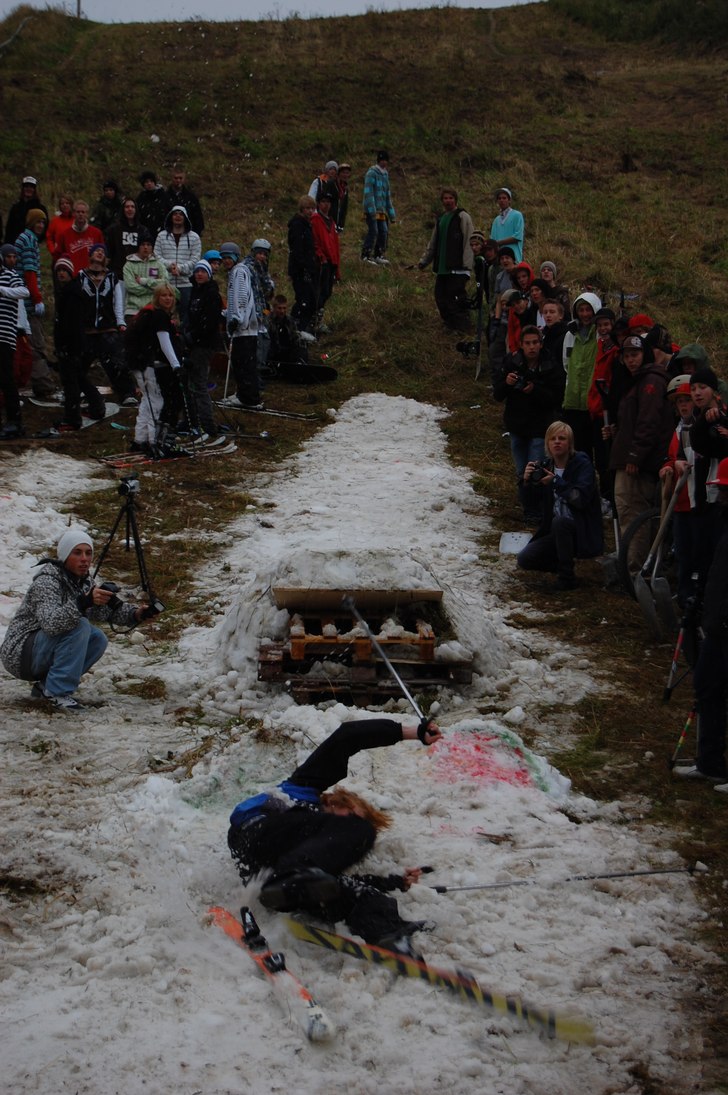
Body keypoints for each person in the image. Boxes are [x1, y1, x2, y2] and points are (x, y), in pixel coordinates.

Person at [227, 715, 442, 956]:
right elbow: (348, 735)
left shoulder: (319, 853)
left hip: (273, 879)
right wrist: (414, 732)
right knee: (357, 836)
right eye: (353, 814)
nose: (350, 827)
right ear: (343, 801)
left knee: (353, 892)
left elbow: (339, 880)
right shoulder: (304, 788)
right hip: (258, 833)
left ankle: (390, 934)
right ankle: (289, 880)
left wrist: (394, 882)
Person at [0, 528, 149, 711]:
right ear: (64, 556)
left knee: (97, 638)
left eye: (88, 553)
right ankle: (57, 692)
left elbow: (103, 613)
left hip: (41, 648)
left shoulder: (83, 581)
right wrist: (82, 602)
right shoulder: (46, 582)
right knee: (80, 625)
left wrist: (136, 614)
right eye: (77, 553)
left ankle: (46, 687)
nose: (84, 558)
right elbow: (52, 624)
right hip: (19, 653)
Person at [674, 457, 728, 788]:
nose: (719, 494)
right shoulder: (721, 523)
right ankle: (710, 763)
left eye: (723, 489)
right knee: (706, 686)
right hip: (717, 625)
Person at [606, 335, 674, 573]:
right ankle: (636, 569)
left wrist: (635, 456)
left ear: (644, 354)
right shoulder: (636, 382)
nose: (631, 360)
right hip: (630, 459)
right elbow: (635, 422)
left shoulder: (651, 382)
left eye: (635, 354)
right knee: (631, 512)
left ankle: (635, 570)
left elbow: (649, 422)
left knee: (632, 513)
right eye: (626, 356)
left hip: (636, 464)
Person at [517, 420, 604, 591]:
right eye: (553, 439)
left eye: (562, 438)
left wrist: (556, 481)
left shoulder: (582, 464)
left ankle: (567, 579)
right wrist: (526, 482)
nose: (557, 442)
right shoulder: (546, 466)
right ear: (547, 444)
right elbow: (531, 504)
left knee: (561, 523)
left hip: (582, 529)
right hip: (556, 531)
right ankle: (563, 565)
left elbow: (580, 499)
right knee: (525, 558)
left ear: (570, 443)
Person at [493, 325, 565, 523]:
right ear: (521, 345)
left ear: (541, 344)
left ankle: (538, 510)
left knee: (535, 469)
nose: (532, 347)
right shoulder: (511, 362)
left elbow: (557, 397)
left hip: (540, 426)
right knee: (521, 470)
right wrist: (507, 383)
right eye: (528, 343)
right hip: (517, 425)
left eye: (535, 343)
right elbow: (497, 394)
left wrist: (535, 389)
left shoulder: (550, 364)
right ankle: (528, 508)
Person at [125, 282, 186, 455]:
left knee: (147, 401)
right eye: (163, 295)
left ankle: (140, 439)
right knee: (158, 403)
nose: (167, 299)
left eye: (170, 295)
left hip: (139, 364)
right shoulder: (160, 317)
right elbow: (164, 342)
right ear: (157, 298)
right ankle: (155, 442)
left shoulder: (152, 315)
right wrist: (176, 365)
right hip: (149, 365)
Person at [417, 188, 474, 332]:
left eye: (450, 198)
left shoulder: (462, 216)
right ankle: (450, 324)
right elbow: (433, 243)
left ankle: (463, 326)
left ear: (455, 199)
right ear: (442, 201)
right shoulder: (441, 218)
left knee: (455, 297)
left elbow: (469, 240)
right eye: (445, 198)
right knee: (441, 297)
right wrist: (424, 261)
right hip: (443, 268)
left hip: (458, 267)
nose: (448, 201)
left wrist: (467, 265)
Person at [14, 207, 57, 399]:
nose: (41, 225)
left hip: (22, 301)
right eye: (38, 222)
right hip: (28, 303)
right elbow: (30, 273)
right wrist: (37, 298)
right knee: (36, 344)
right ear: (31, 222)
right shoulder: (29, 240)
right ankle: (43, 385)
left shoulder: (23, 238)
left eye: (43, 222)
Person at [220, 241, 261, 409]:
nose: (226, 261)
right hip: (243, 325)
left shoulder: (238, 271)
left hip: (244, 327)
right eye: (223, 258)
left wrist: (236, 318)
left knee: (243, 362)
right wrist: (226, 314)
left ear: (236, 257)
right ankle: (243, 393)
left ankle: (249, 398)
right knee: (241, 362)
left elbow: (241, 297)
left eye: (229, 257)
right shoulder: (236, 272)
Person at [561, 290, 602, 459]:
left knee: (599, 450)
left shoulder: (600, 334)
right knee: (579, 451)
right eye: (581, 310)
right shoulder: (570, 334)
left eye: (588, 309)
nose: (585, 314)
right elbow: (565, 363)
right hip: (573, 400)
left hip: (594, 401)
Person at [184, 259, 223, 437]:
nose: (199, 274)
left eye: (203, 271)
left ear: (209, 274)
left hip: (205, 344)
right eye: (197, 271)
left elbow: (210, 321)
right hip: (194, 342)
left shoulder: (212, 293)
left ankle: (207, 424)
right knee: (191, 382)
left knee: (198, 383)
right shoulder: (195, 291)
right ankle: (192, 419)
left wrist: (195, 335)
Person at [154, 205, 202, 328]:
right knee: (165, 314)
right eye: (175, 214)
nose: (178, 216)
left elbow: (195, 258)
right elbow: (156, 256)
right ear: (171, 217)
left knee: (185, 315)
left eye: (181, 214)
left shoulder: (194, 237)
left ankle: (183, 341)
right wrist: (169, 266)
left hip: (186, 283)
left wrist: (180, 268)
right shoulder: (161, 236)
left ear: (185, 218)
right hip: (166, 282)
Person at [0, 244, 30, 438]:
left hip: (4, 335)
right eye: (8, 257)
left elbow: (24, 292)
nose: (12, 260)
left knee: (6, 378)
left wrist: (2, 290)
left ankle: (15, 421)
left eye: (13, 257)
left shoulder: (10, 275)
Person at [287, 197, 318, 336]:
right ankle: (296, 327)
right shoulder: (298, 225)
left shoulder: (306, 224)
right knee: (303, 299)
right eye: (307, 208)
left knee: (309, 298)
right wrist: (304, 266)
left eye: (312, 208)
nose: (310, 211)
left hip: (306, 267)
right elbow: (297, 249)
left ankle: (301, 327)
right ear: (301, 209)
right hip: (300, 269)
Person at [122, 230, 168, 321]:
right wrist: (154, 289)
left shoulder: (159, 265)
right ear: (138, 247)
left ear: (152, 247)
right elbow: (130, 287)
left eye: (148, 244)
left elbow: (165, 284)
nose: (146, 247)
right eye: (143, 244)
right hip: (133, 311)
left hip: (154, 309)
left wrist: (144, 281)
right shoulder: (129, 265)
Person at [310, 195, 340, 333]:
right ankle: (314, 321)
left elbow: (335, 244)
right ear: (318, 204)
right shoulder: (316, 219)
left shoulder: (331, 222)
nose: (326, 205)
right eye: (323, 202)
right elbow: (314, 240)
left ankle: (317, 319)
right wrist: (321, 256)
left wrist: (337, 266)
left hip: (332, 261)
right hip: (323, 262)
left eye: (328, 202)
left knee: (327, 292)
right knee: (320, 293)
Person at [361, 150, 395, 265]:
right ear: (378, 160)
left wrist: (391, 213)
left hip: (382, 211)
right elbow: (368, 193)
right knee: (373, 231)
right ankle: (365, 254)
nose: (384, 162)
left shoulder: (385, 174)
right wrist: (371, 210)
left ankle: (378, 254)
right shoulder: (371, 173)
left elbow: (387, 195)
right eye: (382, 160)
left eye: (385, 160)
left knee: (383, 231)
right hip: (372, 210)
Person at [58, 200, 105, 275]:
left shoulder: (96, 233)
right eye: (78, 212)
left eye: (83, 212)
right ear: (73, 213)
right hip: (72, 277)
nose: (80, 214)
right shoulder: (65, 234)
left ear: (87, 214)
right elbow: (60, 257)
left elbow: (102, 256)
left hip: (91, 276)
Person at [4, 176, 49, 245]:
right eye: (26, 187)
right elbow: (9, 229)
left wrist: (38, 240)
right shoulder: (15, 208)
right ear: (23, 189)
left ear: (34, 190)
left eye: (31, 187)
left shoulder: (40, 208)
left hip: (32, 244)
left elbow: (45, 227)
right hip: (15, 244)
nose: (29, 189)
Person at [106, 197, 142, 280]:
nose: (130, 209)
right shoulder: (113, 230)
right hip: (117, 276)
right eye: (127, 207)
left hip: (137, 276)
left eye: (132, 207)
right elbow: (109, 252)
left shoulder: (142, 230)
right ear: (123, 210)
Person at [489, 187, 524, 263]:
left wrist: (498, 243)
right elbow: (492, 241)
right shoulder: (496, 220)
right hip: (501, 260)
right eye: (499, 198)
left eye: (504, 198)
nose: (502, 200)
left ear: (509, 200)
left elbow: (517, 237)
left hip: (515, 258)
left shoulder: (517, 215)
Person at [166, 169, 204, 236]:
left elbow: (198, 217)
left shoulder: (191, 197)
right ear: (172, 178)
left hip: (188, 234)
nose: (178, 180)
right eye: (176, 178)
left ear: (184, 179)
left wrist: (196, 233)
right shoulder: (165, 196)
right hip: (169, 234)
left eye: (180, 178)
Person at [136, 171, 171, 239]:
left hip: (162, 233)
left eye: (151, 181)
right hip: (145, 234)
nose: (149, 184)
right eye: (146, 182)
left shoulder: (164, 196)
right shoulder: (140, 198)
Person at [46, 195, 74, 260]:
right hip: (59, 256)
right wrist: (53, 251)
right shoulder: (55, 221)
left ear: (71, 205)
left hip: (74, 254)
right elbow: (49, 238)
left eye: (67, 203)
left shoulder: (76, 220)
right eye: (62, 204)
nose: (64, 205)